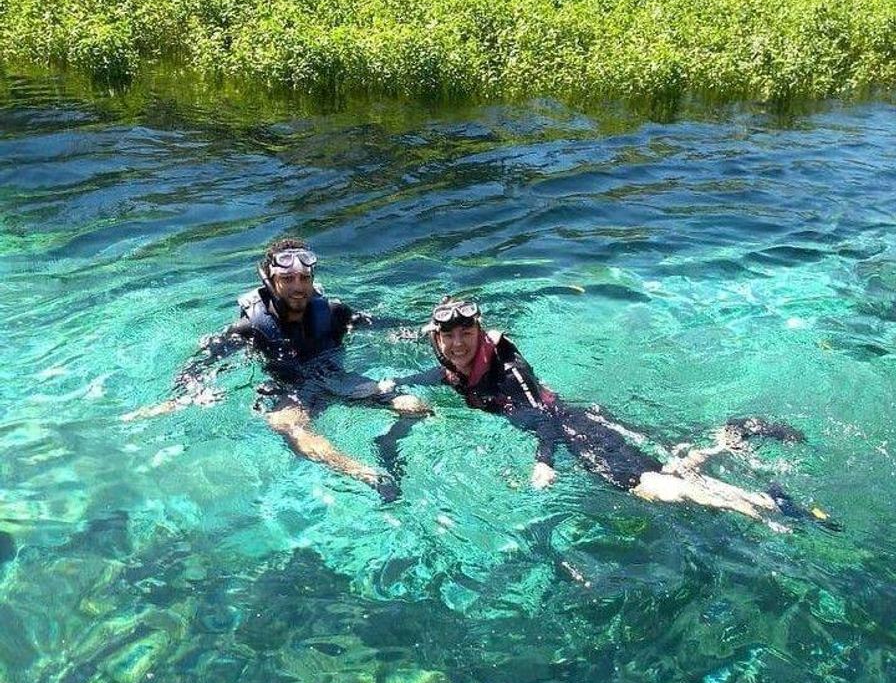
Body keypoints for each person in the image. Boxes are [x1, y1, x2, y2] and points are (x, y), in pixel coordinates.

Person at [384, 296, 835, 529]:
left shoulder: (510, 370)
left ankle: (764, 504)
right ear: (437, 341)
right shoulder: (453, 372)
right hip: (586, 423)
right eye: (449, 336)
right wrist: (384, 390)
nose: (458, 342)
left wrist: (544, 463)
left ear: (479, 333)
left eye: (466, 332)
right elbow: (424, 380)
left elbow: (544, 419)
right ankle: (730, 439)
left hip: (577, 430)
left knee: (651, 486)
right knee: (672, 465)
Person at [122, 237, 427, 497]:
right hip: (291, 391)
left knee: (415, 406)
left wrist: (425, 331)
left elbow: (385, 326)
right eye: (288, 279)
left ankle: (386, 443)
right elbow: (203, 363)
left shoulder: (333, 312)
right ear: (270, 281)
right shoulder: (250, 328)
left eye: (304, 279)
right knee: (285, 425)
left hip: (336, 378)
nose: (298, 287)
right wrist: (178, 398)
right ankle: (367, 475)